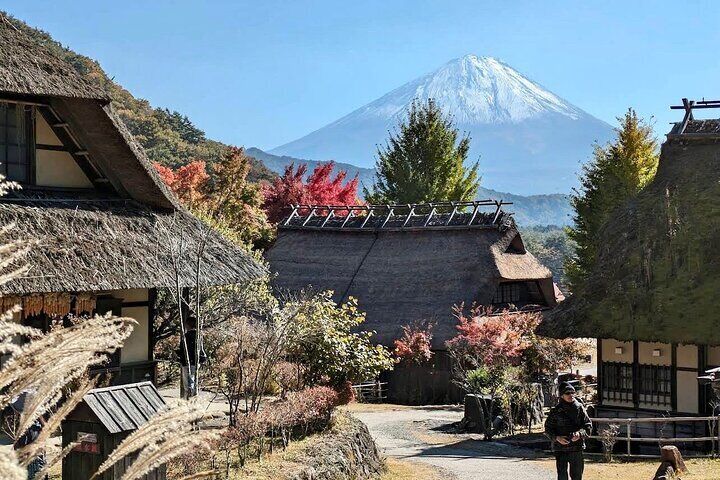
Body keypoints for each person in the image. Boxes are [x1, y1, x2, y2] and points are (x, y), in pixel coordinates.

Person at [544, 382, 592, 480]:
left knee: (577, 476)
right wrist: (557, 438)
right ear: (562, 395)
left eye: (572, 392)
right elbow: (548, 428)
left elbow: (588, 426)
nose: (570, 395)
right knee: (562, 476)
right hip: (561, 449)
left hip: (576, 448)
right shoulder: (556, 411)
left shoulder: (579, 408)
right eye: (567, 393)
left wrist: (579, 434)